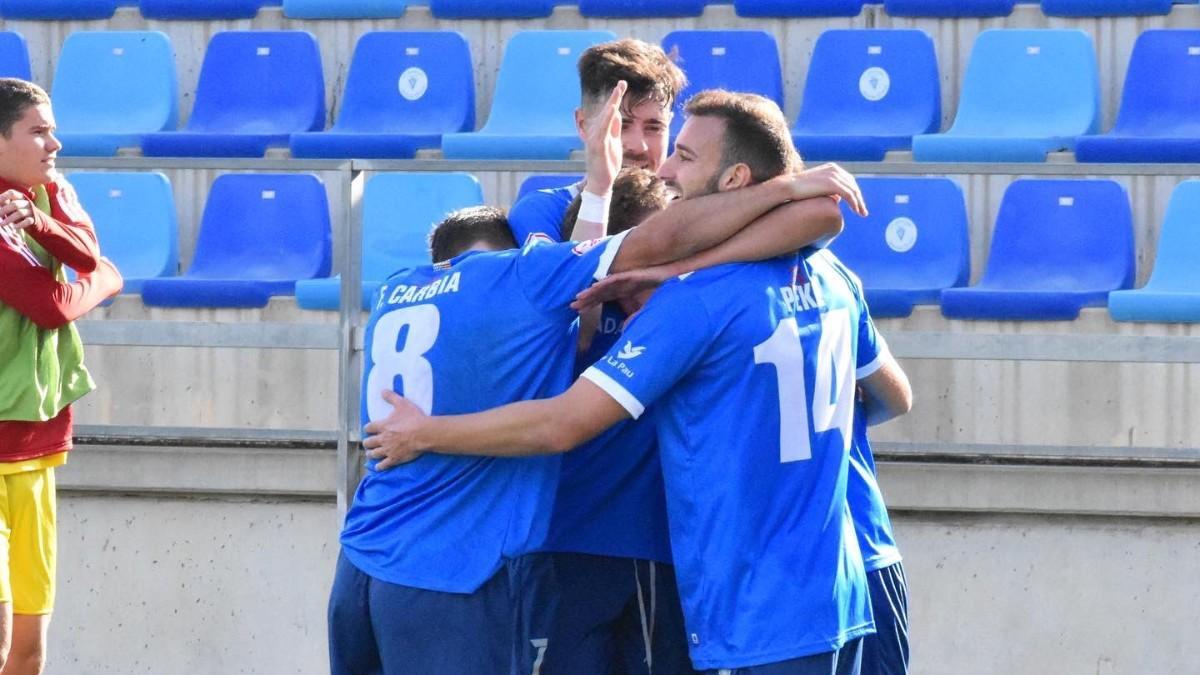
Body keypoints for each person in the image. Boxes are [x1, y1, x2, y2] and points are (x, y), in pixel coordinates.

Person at [363, 91, 909, 674]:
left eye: (681, 152)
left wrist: (424, 433)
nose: (661, 165)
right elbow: (895, 396)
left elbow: (561, 423)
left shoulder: (691, 305)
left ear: (736, 178)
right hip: (845, 587)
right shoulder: (831, 276)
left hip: (752, 608)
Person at [0, 78, 122, 675]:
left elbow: (87, 254)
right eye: (39, 131)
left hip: (39, 436)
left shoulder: (49, 187)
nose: (55, 143)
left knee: (29, 649)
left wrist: (44, 226)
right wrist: (105, 283)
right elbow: (51, 302)